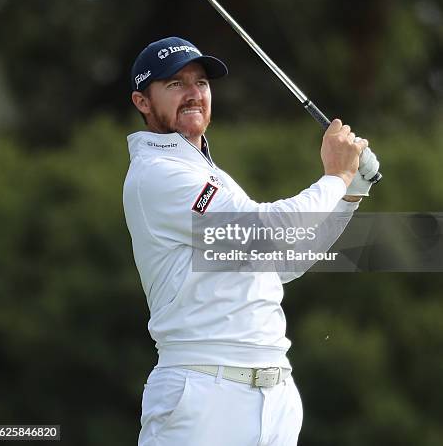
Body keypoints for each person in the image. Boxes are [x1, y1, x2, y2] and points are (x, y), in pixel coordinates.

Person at [123, 36, 380, 446]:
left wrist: (350, 193)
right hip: (203, 392)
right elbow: (265, 228)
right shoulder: (157, 173)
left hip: (275, 394)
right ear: (143, 102)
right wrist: (335, 176)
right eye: (175, 84)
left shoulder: (210, 175)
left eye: (201, 82)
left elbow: (283, 260)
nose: (193, 94)